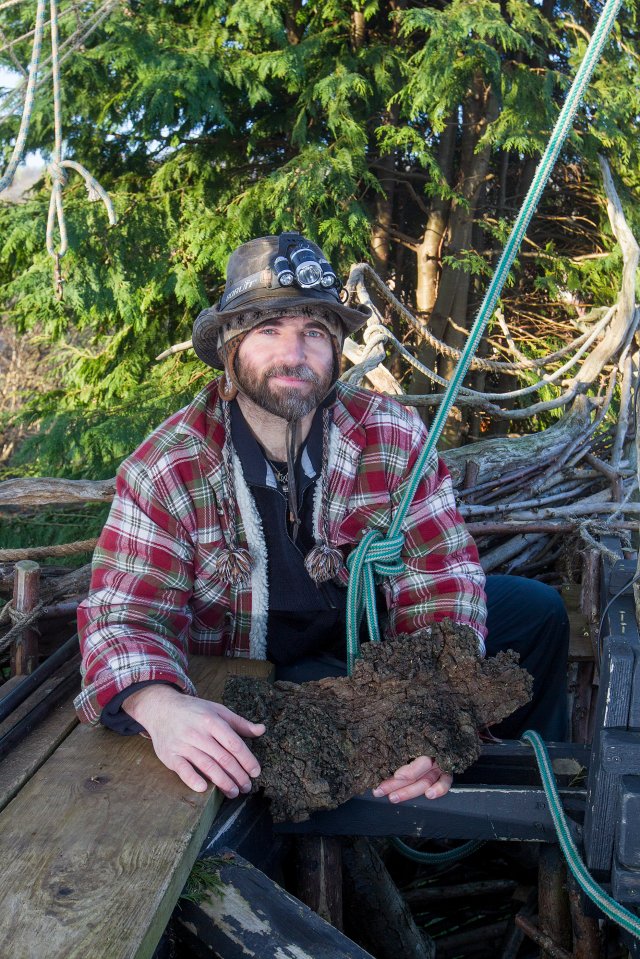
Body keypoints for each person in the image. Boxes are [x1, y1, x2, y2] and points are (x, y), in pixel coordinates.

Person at [74, 232, 569, 806]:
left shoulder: (391, 435)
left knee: (536, 613)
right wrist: (159, 705)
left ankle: (525, 803)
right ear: (231, 351)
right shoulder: (169, 465)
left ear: (336, 351)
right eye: (268, 331)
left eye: (314, 333)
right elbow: (122, 616)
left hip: (373, 640)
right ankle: (381, 821)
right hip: (252, 668)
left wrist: (436, 716)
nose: (294, 354)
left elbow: (442, 580)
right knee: (314, 708)